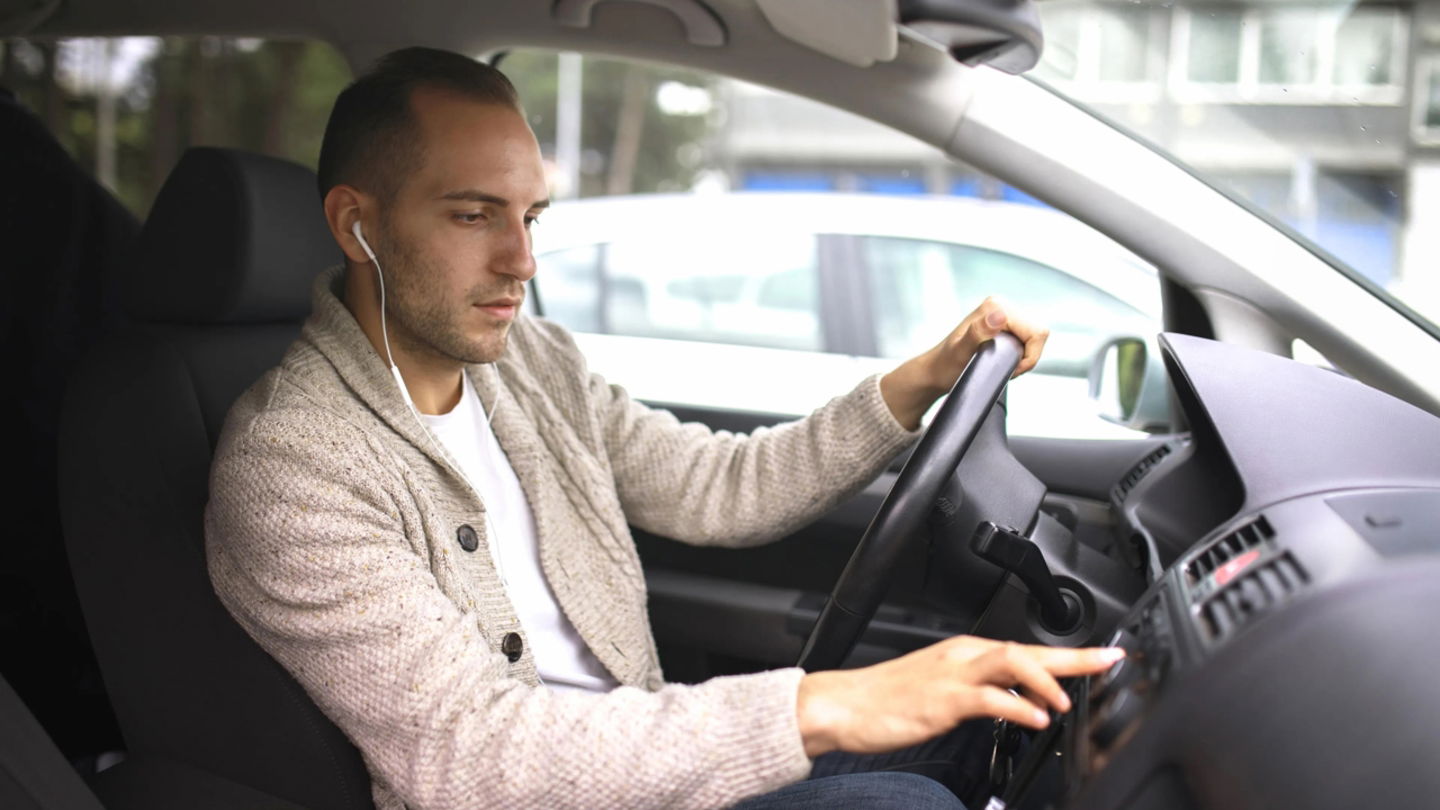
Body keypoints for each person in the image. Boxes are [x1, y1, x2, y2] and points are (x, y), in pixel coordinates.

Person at [204, 47, 1123, 810]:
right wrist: (818, 709)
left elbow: (718, 488)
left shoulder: (527, 362)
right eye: (473, 214)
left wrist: (917, 382)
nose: (522, 260)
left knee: (998, 716)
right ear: (356, 224)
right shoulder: (292, 467)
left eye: (530, 216)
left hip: (645, 766)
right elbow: (471, 755)